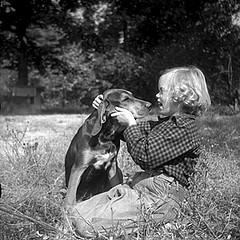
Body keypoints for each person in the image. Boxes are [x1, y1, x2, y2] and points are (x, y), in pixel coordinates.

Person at [69, 66, 211, 238]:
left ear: (180, 96)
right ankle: (139, 211)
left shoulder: (183, 129)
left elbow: (146, 157)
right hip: (144, 187)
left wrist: (131, 124)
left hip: (161, 197)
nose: (156, 96)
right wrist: (105, 109)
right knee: (75, 212)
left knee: (86, 226)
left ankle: (168, 220)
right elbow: (124, 133)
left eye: (162, 91)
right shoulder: (165, 123)